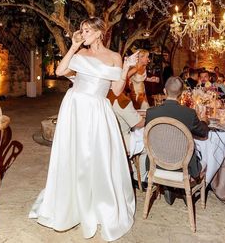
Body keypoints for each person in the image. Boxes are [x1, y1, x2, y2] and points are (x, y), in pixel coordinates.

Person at [29, 17, 139, 241]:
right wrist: (74, 44)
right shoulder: (79, 54)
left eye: (87, 30)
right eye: (82, 30)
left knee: (96, 157)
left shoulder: (114, 57)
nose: (83, 33)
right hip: (74, 107)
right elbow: (60, 71)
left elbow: (117, 91)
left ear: (99, 32)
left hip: (98, 110)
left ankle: (97, 203)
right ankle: (72, 202)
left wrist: (126, 67)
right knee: (73, 154)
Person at [145, 76, 209, 204]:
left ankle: (169, 188)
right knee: (207, 150)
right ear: (181, 94)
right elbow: (203, 132)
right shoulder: (189, 113)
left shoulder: (151, 112)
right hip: (183, 168)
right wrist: (204, 120)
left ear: (164, 91)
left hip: (157, 164)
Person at [107, 90, 148, 190]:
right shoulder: (121, 100)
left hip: (107, 138)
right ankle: (141, 179)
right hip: (121, 141)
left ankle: (132, 170)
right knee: (149, 144)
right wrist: (150, 118)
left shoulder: (103, 95)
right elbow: (138, 123)